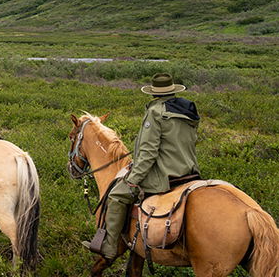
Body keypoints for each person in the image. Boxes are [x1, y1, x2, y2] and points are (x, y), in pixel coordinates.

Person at [83, 72, 201, 259]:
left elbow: (148, 154)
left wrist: (132, 180)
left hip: (164, 175)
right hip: (190, 172)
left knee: (116, 195)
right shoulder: (188, 111)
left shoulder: (155, 112)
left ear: (153, 92)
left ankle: (109, 247)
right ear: (172, 90)